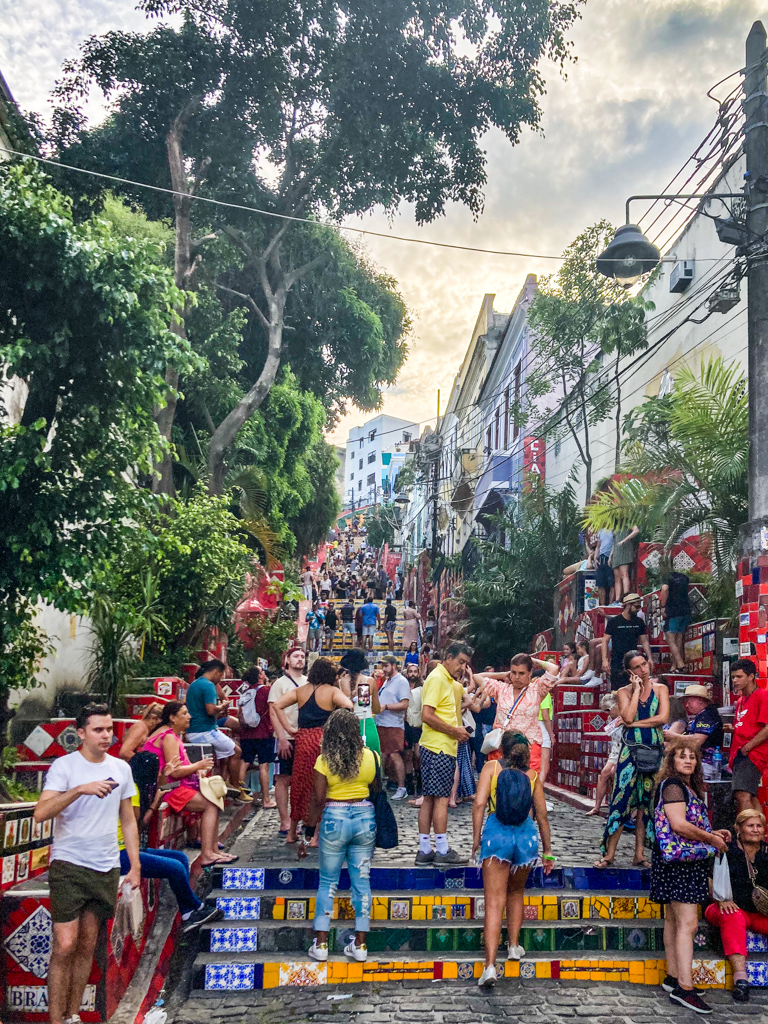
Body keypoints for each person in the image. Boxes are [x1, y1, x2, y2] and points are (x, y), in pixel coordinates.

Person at [34, 704, 141, 1024]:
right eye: (98, 729)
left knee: (86, 944)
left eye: (109, 729)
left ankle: (72, 1015)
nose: (106, 735)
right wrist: (79, 790)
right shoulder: (65, 768)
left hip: (106, 865)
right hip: (69, 864)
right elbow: (41, 813)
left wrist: (134, 866)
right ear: (81, 733)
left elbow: (129, 821)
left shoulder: (121, 769)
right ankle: (55, 1019)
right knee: (65, 945)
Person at [651, 738, 729, 1014]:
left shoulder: (683, 788)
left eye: (692, 757)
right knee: (689, 924)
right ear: (671, 761)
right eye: (681, 756)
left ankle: (674, 976)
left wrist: (713, 835)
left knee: (673, 921)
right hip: (681, 864)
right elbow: (679, 825)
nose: (688, 761)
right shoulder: (673, 786)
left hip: (675, 861)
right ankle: (685, 987)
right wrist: (711, 839)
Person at [472, 731, 554, 988]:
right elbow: (541, 816)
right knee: (516, 892)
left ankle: (489, 967)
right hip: (526, 838)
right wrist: (548, 852)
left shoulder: (491, 768)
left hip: (497, 837)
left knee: (494, 903)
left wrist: (476, 840)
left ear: (502, 750)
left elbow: (479, 804)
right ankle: (515, 946)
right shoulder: (533, 777)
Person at [302, 709, 378, 964]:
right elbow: (375, 789)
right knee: (362, 882)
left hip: (335, 818)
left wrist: (308, 832)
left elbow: (318, 798)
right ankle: (361, 945)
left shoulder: (324, 760)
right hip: (364, 818)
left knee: (327, 882)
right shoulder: (370, 757)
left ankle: (322, 943)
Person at [596, 650, 669, 869]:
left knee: (646, 803)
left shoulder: (661, 689)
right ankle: (609, 854)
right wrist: (636, 690)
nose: (643, 670)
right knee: (621, 800)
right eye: (637, 667)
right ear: (630, 671)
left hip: (652, 750)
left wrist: (635, 724)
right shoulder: (623, 691)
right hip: (629, 752)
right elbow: (626, 716)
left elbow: (663, 718)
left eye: (644, 664)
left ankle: (639, 854)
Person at [143, 700, 237, 865]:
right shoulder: (168, 737)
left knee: (216, 798)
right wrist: (198, 765)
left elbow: (185, 765)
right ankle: (207, 854)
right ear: (172, 718)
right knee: (210, 804)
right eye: (184, 714)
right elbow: (175, 772)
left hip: (175, 785)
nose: (189, 717)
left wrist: (198, 770)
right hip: (167, 788)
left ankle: (214, 850)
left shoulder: (174, 736)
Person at [273, 657, 354, 846]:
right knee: (320, 789)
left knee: (300, 785)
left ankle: (292, 832)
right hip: (322, 741)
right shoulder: (332, 691)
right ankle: (315, 836)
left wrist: (289, 729)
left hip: (302, 740)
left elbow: (277, 705)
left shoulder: (301, 691)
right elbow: (349, 707)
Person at [416, 642, 473, 865]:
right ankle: (441, 849)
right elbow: (427, 715)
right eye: (460, 662)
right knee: (440, 799)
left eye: (466, 664)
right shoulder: (438, 678)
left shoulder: (447, 680)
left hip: (437, 746)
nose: (462, 667)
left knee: (430, 798)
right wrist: (454, 731)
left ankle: (424, 849)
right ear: (447, 657)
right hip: (439, 747)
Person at [704, 808, 768, 1003]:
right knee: (733, 915)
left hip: (757, 912)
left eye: (759, 826)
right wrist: (720, 898)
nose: (755, 830)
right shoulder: (726, 850)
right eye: (750, 826)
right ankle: (741, 979)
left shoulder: (766, 852)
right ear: (739, 829)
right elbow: (709, 879)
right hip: (723, 907)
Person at [477, 654, 560, 773]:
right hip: (502, 749)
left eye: (521, 673)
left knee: (526, 787)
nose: (517, 677)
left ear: (530, 672)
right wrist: (502, 675)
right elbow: (477, 676)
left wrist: (534, 660)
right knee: (499, 787)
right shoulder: (501, 689)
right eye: (513, 672)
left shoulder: (537, 689)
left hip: (529, 749)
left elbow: (554, 669)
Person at [268, 647, 308, 840]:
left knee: (303, 779)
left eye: (302, 656)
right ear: (288, 660)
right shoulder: (280, 684)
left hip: (304, 736)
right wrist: (282, 737)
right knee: (283, 779)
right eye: (296, 656)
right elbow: (273, 711)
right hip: (286, 737)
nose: (300, 660)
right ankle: (285, 820)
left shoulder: (308, 682)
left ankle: (301, 818)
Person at [185, 660, 242, 791]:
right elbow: (210, 710)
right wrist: (222, 706)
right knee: (236, 751)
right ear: (216, 672)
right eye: (221, 676)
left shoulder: (194, 684)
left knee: (228, 750)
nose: (220, 680)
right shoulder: (208, 685)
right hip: (205, 730)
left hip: (194, 730)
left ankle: (224, 784)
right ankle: (236, 787)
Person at [729, 658, 768, 814]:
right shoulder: (740, 701)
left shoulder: (762, 695)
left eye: (739, 676)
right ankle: (758, 832)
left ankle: (749, 833)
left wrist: (748, 747)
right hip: (740, 752)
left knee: (743, 795)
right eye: (733, 677)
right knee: (750, 796)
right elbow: (748, 725)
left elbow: (767, 727)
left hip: (752, 753)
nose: (735, 680)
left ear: (751, 676)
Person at [238, 666, 276, 811]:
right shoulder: (266, 691)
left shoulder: (246, 692)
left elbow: (239, 714)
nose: (264, 673)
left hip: (247, 734)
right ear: (259, 676)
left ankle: (240, 794)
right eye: (262, 672)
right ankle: (266, 799)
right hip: (264, 733)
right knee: (263, 766)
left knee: (244, 762)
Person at [374, 655, 411, 800]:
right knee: (384, 755)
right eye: (382, 666)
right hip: (381, 722)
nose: (383, 669)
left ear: (394, 666)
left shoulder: (401, 682)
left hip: (393, 724)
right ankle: (383, 783)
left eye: (386, 666)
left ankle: (402, 787)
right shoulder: (387, 681)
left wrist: (386, 707)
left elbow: (404, 704)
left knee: (395, 755)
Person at [601, 593, 653, 690]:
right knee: (617, 690)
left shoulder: (639, 622)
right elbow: (605, 640)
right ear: (628, 605)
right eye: (636, 606)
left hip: (633, 661)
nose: (638, 610)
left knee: (634, 687)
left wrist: (649, 658)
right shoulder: (614, 621)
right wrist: (604, 660)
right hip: (617, 660)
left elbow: (644, 641)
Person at [339, 647, 382, 754]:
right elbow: (376, 709)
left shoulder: (339, 682)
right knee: (372, 760)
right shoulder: (369, 681)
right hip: (366, 724)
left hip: (346, 727)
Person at [586, 694, 623, 816]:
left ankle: (616, 807)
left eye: (608, 709)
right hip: (615, 751)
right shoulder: (611, 719)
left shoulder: (625, 717)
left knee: (614, 773)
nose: (607, 713)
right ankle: (597, 807)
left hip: (624, 750)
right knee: (604, 774)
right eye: (605, 711)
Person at [680, 684, 724, 777]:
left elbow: (697, 740)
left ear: (700, 700)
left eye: (689, 701)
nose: (687, 705)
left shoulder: (707, 715)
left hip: (707, 765)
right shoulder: (701, 715)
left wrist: (673, 736)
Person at [660, 570, 691, 672]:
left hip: (673, 611)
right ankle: (675, 666)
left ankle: (681, 664)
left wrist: (663, 606)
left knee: (670, 638)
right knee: (679, 639)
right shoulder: (684, 577)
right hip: (686, 610)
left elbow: (664, 589)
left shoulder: (666, 577)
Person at [404, 662, 423, 795]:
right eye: (410, 671)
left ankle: (420, 779)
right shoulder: (403, 687)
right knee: (407, 754)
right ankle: (409, 781)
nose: (412, 674)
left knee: (418, 754)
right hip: (405, 724)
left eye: (415, 671)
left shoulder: (422, 688)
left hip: (418, 725)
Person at [594, 527, 615, 606]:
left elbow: (614, 544)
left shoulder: (614, 530)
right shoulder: (601, 531)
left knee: (611, 583)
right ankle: (602, 605)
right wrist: (595, 557)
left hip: (609, 558)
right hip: (601, 559)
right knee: (600, 584)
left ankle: (611, 604)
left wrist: (610, 556)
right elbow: (598, 546)